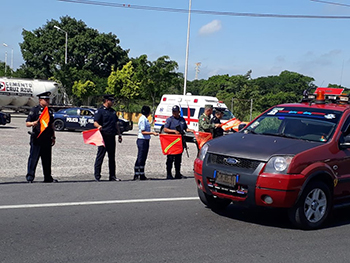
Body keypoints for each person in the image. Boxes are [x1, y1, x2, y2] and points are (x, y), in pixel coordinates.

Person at [25, 91, 57, 183]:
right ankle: (30, 177)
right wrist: (33, 123)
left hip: (47, 139)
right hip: (37, 138)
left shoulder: (49, 111)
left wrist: (53, 137)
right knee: (33, 158)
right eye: (46, 99)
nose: (48, 101)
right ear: (40, 100)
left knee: (47, 159)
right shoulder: (34, 110)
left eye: (48, 99)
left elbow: (51, 126)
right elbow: (27, 123)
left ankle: (47, 177)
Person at [94, 95, 122, 181]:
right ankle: (97, 175)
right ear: (107, 101)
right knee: (100, 156)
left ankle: (112, 176)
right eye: (111, 101)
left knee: (112, 157)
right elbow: (95, 122)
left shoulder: (113, 112)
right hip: (103, 136)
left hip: (111, 136)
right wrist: (98, 126)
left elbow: (116, 124)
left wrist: (119, 134)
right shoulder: (100, 111)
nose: (113, 103)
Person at [163, 105, 194, 179]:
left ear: (179, 112)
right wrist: (174, 131)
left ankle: (177, 173)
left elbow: (185, 128)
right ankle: (169, 174)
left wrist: (190, 130)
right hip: (172, 142)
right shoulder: (169, 120)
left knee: (178, 159)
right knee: (170, 159)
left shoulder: (182, 119)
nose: (174, 113)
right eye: (173, 111)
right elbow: (165, 129)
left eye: (175, 111)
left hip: (180, 142)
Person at [134, 106, 159, 181]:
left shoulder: (145, 119)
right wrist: (152, 133)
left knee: (144, 157)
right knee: (140, 157)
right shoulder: (142, 119)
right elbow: (143, 131)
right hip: (142, 140)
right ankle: (137, 174)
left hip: (146, 140)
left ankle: (142, 174)